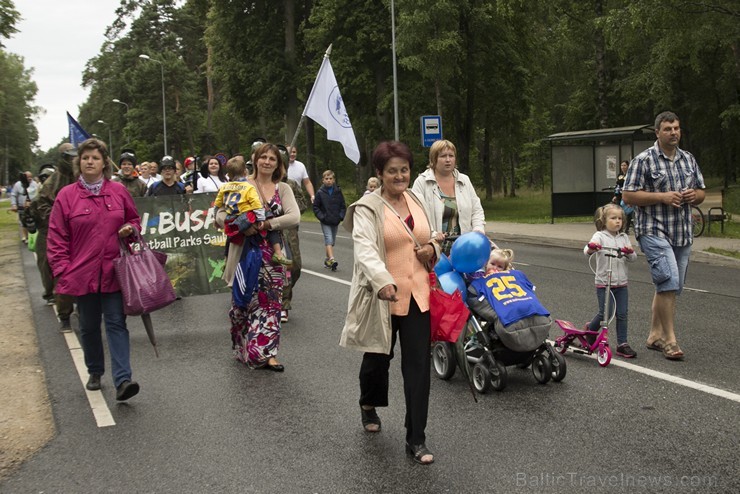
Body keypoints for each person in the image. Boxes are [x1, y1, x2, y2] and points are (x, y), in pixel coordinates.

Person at [340, 141, 440, 465]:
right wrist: (383, 281)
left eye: (404, 169)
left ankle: (416, 438)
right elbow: (365, 248)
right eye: (392, 171)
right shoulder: (368, 207)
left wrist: (433, 250)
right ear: (380, 173)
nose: (399, 176)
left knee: (418, 368)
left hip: (417, 297)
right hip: (382, 297)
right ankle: (368, 403)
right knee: (377, 360)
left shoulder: (416, 198)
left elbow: (433, 234)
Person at [47, 138, 142, 400]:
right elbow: (56, 237)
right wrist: (63, 270)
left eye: (95, 158)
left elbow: (134, 219)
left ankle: (123, 380)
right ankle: (95, 370)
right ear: (79, 162)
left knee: (116, 323)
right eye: (86, 157)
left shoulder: (118, 191)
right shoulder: (66, 196)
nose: (90, 161)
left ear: (104, 164)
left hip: (113, 271)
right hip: (81, 275)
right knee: (88, 326)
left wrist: (130, 229)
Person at [622, 111, 706, 361]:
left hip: (682, 232)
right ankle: (670, 341)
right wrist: (662, 197)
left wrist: (695, 196)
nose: (673, 133)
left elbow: (701, 191)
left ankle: (654, 335)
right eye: (668, 129)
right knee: (668, 281)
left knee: (671, 286)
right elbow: (628, 195)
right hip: (654, 230)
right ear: (657, 132)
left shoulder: (688, 159)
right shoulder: (644, 160)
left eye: (677, 128)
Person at [217, 143, 300, 371]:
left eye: (272, 159)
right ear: (255, 160)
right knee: (241, 306)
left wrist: (267, 223)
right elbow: (219, 213)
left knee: (271, 305)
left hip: (272, 256)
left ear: (278, 164)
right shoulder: (240, 185)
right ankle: (243, 346)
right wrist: (241, 225)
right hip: (244, 252)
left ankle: (268, 353)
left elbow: (294, 217)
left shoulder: (282, 188)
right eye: (263, 157)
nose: (267, 162)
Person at [27, 143, 77, 328]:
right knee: (60, 273)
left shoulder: (82, 177)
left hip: (81, 232)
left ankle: (85, 308)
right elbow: (41, 204)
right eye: (69, 157)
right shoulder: (54, 180)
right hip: (58, 233)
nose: (73, 160)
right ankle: (64, 314)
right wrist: (57, 220)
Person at [214, 155, 291, 266]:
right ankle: (278, 253)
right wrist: (261, 219)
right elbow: (257, 204)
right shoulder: (248, 187)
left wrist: (215, 218)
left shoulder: (224, 187)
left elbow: (217, 205)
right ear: (245, 172)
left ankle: (226, 259)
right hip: (247, 215)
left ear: (229, 174)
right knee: (271, 223)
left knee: (231, 236)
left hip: (233, 216)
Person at [412, 139, 485, 254]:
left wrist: (478, 229)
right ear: (433, 159)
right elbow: (416, 216)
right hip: (434, 249)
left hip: (463, 248)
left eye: (451, 156)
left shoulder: (464, 180)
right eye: (443, 156)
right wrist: (433, 233)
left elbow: (476, 209)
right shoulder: (422, 182)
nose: (448, 160)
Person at [583, 203, 638, 358]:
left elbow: (633, 258)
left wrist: (629, 252)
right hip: (604, 282)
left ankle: (622, 344)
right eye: (613, 218)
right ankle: (591, 330)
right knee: (605, 313)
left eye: (620, 218)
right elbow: (587, 251)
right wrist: (593, 248)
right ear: (604, 220)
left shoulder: (624, 237)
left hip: (621, 283)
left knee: (622, 313)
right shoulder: (599, 236)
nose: (617, 221)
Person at [312, 169, 346, 270]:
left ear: (334, 180)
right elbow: (316, 207)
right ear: (323, 180)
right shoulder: (320, 192)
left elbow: (343, 206)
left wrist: (341, 216)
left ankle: (327, 260)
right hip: (325, 220)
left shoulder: (338, 191)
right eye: (326, 179)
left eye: (330, 178)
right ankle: (332, 259)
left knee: (332, 242)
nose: (328, 180)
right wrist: (322, 217)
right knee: (329, 239)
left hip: (335, 220)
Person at [10, 171, 38, 243]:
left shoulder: (35, 184)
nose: (29, 178)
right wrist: (13, 205)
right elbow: (13, 195)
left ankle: (34, 236)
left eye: (30, 177)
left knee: (34, 221)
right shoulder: (18, 185)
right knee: (23, 222)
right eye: (28, 177)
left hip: (33, 207)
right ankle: (25, 237)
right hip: (22, 207)